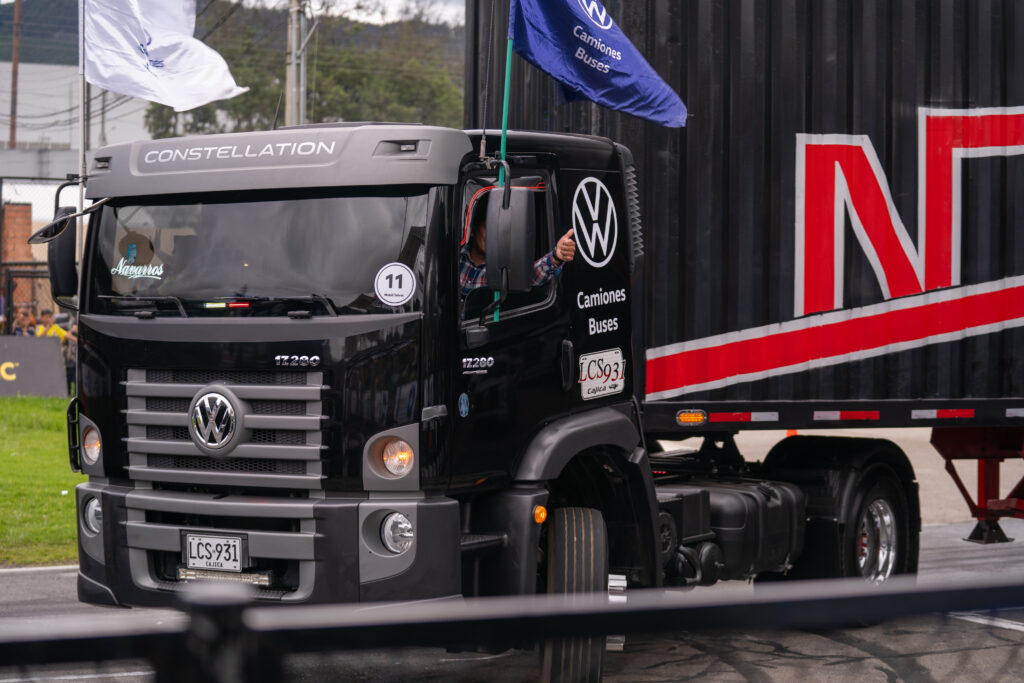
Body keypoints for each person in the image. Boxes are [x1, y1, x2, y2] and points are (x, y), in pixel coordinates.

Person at [459, 194, 576, 299]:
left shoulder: (503, 266)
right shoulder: (454, 258)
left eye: (497, 228)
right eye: (488, 227)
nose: (493, 235)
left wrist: (555, 257)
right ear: (472, 231)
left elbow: (530, 275)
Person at [63, 321, 79, 395]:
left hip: (76, 362)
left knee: (76, 381)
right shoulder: (70, 335)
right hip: (69, 361)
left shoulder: (78, 336)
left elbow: (77, 341)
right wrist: (71, 330)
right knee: (68, 380)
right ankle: (67, 394)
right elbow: (65, 337)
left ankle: (76, 395)